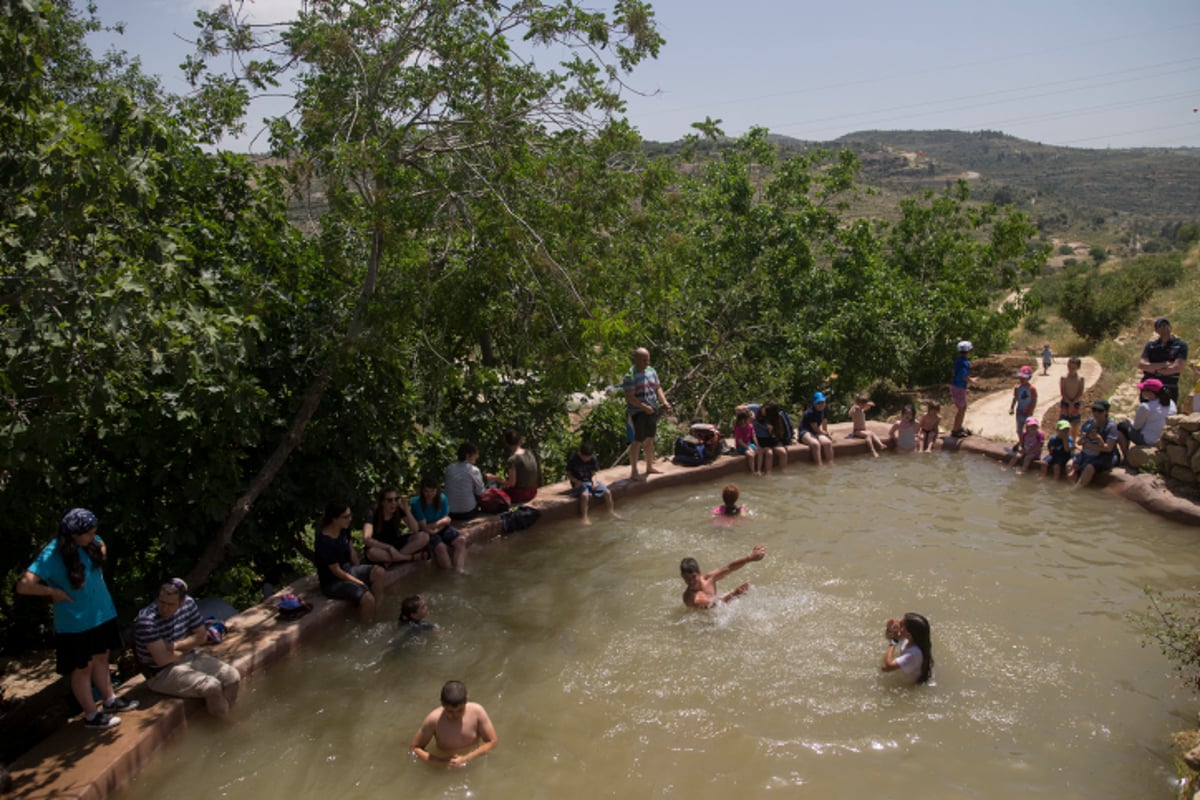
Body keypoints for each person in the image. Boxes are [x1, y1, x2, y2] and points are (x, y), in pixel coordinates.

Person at [16, 508, 140, 729]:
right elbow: (24, 585)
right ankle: (91, 714)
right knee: (83, 667)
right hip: (75, 622)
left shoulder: (92, 542)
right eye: (89, 533)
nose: (94, 536)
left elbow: (101, 544)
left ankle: (109, 700)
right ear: (74, 534)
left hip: (102, 612)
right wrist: (53, 592)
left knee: (102, 657)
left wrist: (100, 549)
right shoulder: (52, 554)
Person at [133, 578, 241, 716]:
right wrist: (186, 648)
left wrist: (175, 645)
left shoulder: (188, 604)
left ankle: (224, 716)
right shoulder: (147, 621)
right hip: (160, 673)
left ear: (182, 602)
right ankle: (223, 725)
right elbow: (162, 659)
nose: (164, 608)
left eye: (170, 604)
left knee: (232, 676)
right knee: (212, 686)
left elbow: (201, 636)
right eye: (161, 602)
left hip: (189, 657)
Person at [314, 502, 385, 621]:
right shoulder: (324, 542)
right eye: (345, 517)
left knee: (379, 571)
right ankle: (367, 628)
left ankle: (375, 614)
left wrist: (360, 571)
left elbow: (352, 552)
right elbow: (336, 571)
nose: (350, 519)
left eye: (350, 515)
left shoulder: (344, 530)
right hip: (333, 581)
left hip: (348, 570)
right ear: (334, 519)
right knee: (368, 599)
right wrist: (360, 582)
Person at [411, 680, 498, 768]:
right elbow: (416, 748)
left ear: (466, 700)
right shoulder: (433, 720)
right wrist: (442, 761)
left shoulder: (477, 712)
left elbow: (492, 741)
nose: (455, 715)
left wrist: (466, 758)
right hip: (445, 766)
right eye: (449, 711)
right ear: (442, 704)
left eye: (460, 710)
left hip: (474, 762)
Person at [622, 347, 672, 481]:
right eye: (644, 360)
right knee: (637, 440)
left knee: (650, 438)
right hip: (637, 412)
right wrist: (643, 407)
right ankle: (634, 471)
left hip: (652, 409)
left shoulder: (651, 371)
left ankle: (649, 466)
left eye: (648, 359)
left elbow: (658, 387)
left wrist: (664, 401)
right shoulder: (630, 375)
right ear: (636, 359)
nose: (646, 362)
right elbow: (630, 397)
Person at [679, 544, 767, 609]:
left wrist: (750, 558)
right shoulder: (691, 597)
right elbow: (715, 605)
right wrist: (734, 594)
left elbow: (729, 568)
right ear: (682, 577)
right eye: (687, 578)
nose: (690, 581)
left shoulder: (709, 578)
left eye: (693, 577)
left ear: (699, 573)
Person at [410, 476, 468, 572]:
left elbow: (446, 519)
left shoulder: (442, 498)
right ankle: (448, 572)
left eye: (432, 491)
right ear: (422, 491)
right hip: (425, 532)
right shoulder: (416, 503)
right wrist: (441, 523)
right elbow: (423, 526)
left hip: (440, 528)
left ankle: (459, 570)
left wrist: (437, 529)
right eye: (426, 491)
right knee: (440, 548)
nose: (429, 494)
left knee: (461, 540)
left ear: (437, 491)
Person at [363, 487, 429, 567]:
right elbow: (367, 539)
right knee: (371, 552)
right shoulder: (372, 513)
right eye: (390, 500)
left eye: (396, 499)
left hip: (396, 544)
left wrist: (406, 510)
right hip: (381, 547)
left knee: (424, 536)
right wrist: (388, 547)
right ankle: (409, 558)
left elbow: (415, 529)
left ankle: (393, 560)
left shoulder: (398, 510)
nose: (393, 503)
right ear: (382, 502)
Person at [1116, 378, 1176, 461]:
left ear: (1150, 393)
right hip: (1162, 439)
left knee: (1122, 426)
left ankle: (1126, 456)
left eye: (1143, 390)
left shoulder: (1145, 407)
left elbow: (1136, 427)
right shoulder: (1171, 403)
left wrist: (1129, 421)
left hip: (1147, 440)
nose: (1141, 391)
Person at [566, 441, 618, 525]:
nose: (586, 459)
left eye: (588, 457)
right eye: (584, 457)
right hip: (578, 482)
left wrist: (594, 482)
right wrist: (575, 481)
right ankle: (584, 517)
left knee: (607, 492)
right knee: (585, 496)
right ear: (580, 453)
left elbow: (594, 473)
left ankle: (611, 512)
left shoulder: (593, 459)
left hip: (589, 480)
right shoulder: (573, 459)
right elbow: (568, 474)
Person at [1139, 317, 1188, 404]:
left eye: (1166, 325)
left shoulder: (1180, 345)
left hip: (1168, 387)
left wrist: (1153, 369)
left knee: (1168, 414)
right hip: (1150, 387)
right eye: (1160, 326)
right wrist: (1164, 364)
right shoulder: (1151, 346)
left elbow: (1176, 368)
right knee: (1147, 412)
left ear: (1170, 327)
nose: (1164, 328)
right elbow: (1142, 365)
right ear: (1156, 330)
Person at [1072, 400, 1119, 490]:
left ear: (1106, 412)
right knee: (1070, 464)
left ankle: (1075, 490)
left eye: (1100, 411)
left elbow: (1109, 448)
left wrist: (1089, 446)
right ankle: (1072, 485)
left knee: (1089, 467)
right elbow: (1080, 438)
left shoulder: (1111, 427)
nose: (1096, 413)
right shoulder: (1090, 422)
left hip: (1107, 455)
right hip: (1089, 452)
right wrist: (1082, 442)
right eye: (1094, 410)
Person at [486, 428, 539, 504]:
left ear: (507, 444)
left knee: (495, 494)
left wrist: (494, 478)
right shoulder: (529, 453)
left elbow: (512, 483)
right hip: (533, 491)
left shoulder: (513, 459)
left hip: (521, 495)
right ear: (519, 440)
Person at [881, 613, 934, 684]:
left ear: (909, 634)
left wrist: (894, 641)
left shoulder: (914, 653)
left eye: (901, 624)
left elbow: (886, 667)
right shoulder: (911, 639)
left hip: (911, 685)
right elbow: (889, 638)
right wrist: (890, 630)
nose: (898, 623)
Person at [445, 442, 485, 522]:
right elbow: (480, 493)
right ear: (467, 455)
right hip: (468, 512)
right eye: (475, 454)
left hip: (450, 512)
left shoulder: (449, 468)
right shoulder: (474, 470)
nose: (477, 457)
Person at [949, 340, 979, 438]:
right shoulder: (965, 363)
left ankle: (958, 427)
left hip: (956, 386)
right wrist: (972, 380)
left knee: (963, 407)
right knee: (961, 409)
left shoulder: (958, 361)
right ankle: (955, 429)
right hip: (958, 387)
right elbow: (964, 376)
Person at [799, 392, 834, 467]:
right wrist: (825, 434)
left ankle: (831, 463)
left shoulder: (824, 410)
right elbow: (815, 428)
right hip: (805, 431)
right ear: (814, 403)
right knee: (815, 444)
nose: (821, 404)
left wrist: (826, 433)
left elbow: (824, 423)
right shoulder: (810, 413)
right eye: (819, 403)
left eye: (823, 402)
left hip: (815, 432)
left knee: (827, 443)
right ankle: (819, 465)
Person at [1059, 356, 1086, 440]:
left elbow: (1080, 392)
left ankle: (1073, 441)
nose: (1071, 369)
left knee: (1075, 423)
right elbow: (1062, 391)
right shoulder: (1064, 378)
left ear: (1078, 368)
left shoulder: (1080, 379)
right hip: (1065, 402)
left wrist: (1073, 402)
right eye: (1069, 367)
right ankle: (1063, 441)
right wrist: (1069, 402)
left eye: (1073, 367)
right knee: (1064, 423)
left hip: (1076, 403)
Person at [1008, 366, 1038, 437]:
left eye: (1024, 378)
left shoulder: (1032, 389)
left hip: (1028, 411)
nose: (1021, 379)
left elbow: (1034, 400)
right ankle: (1021, 442)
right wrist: (1012, 407)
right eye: (1020, 377)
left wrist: (1031, 410)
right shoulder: (1017, 388)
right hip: (1019, 411)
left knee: (1029, 428)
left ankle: (1028, 442)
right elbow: (1015, 398)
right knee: (1019, 429)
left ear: (1029, 378)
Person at [733, 408, 764, 474]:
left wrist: (757, 445)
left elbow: (754, 436)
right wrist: (748, 448)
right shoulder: (738, 428)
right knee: (751, 455)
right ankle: (753, 471)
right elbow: (740, 442)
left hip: (749, 444)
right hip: (741, 447)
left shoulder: (750, 426)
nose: (750, 420)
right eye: (749, 418)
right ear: (743, 420)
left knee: (760, 451)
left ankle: (758, 470)